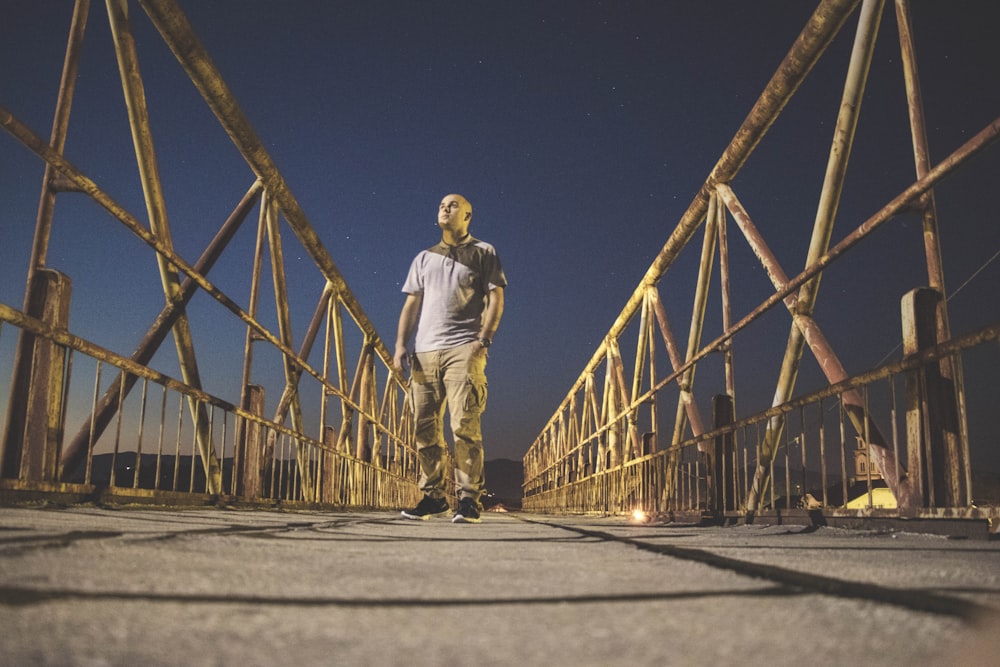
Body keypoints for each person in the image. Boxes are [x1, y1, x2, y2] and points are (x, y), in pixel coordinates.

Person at [394, 193, 507, 523]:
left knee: (464, 426)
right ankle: (432, 498)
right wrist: (401, 345)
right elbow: (411, 304)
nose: (445, 208)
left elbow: (496, 297)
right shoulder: (424, 258)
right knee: (424, 429)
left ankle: (469, 500)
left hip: (463, 349)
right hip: (424, 351)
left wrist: (484, 339)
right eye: (442, 205)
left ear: (468, 215)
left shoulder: (484, 253)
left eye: (453, 205)